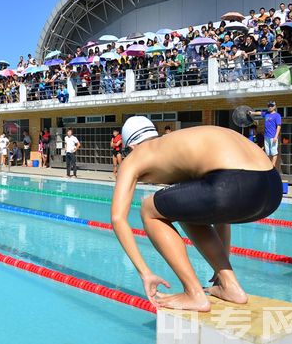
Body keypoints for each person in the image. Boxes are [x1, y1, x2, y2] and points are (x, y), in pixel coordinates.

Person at [112, 116, 281, 311]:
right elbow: (217, 212)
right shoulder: (178, 144)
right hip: (272, 189)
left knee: (148, 209)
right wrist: (222, 263)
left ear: (131, 146)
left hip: (232, 185)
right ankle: (231, 286)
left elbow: (118, 218)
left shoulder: (137, 155)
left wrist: (145, 273)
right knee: (183, 205)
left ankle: (194, 294)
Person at [250, 101, 281, 169]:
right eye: (269, 106)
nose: (270, 107)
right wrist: (252, 113)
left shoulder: (277, 115)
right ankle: (269, 166)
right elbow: (259, 113)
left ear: (274, 106)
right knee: (267, 153)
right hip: (266, 137)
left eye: (271, 105)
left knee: (274, 152)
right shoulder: (266, 114)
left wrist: (276, 136)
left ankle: (273, 167)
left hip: (273, 137)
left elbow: (279, 126)